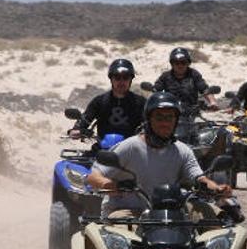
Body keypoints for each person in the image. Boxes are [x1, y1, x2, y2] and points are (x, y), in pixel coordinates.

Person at [87, 91, 231, 219]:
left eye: (169, 117)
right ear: (148, 120)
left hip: (167, 213)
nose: (165, 123)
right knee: (120, 231)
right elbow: (93, 177)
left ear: (176, 121)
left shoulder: (182, 150)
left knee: (212, 215)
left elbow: (199, 178)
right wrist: (112, 185)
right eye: (159, 117)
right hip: (128, 211)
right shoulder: (131, 146)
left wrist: (217, 189)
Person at [69, 58, 145, 140]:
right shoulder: (99, 101)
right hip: (102, 148)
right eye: (117, 77)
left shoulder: (141, 102)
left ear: (130, 79)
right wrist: (77, 131)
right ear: (111, 79)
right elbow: (84, 121)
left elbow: (151, 124)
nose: (121, 81)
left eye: (125, 77)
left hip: (132, 148)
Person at [153, 47, 218, 113]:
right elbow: (155, 91)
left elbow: (205, 89)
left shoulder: (194, 74)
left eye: (183, 62)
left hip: (192, 112)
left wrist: (212, 102)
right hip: (171, 112)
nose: (180, 65)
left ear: (188, 63)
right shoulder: (165, 76)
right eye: (177, 63)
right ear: (172, 64)